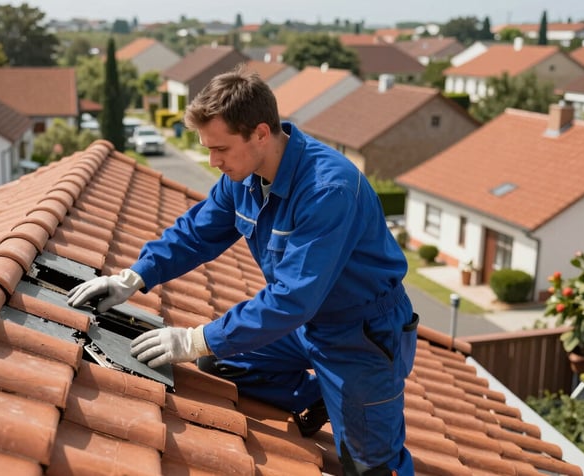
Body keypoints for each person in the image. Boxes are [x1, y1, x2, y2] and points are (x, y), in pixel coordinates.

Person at [67, 65, 418, 475]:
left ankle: (348, 397)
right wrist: (134, 277)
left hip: (359, 335)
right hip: (306, 326)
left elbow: (291, 299)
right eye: (207, 149)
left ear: (261, 134)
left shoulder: (327, 190)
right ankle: (323, 392)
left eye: (221, 149)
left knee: (370, 466)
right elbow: (197, 233)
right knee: (219, 360)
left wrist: (194, 338)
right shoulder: (244, 175)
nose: (213, 161)